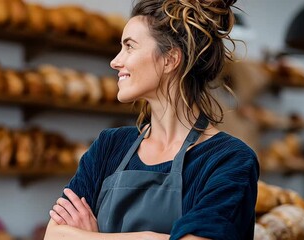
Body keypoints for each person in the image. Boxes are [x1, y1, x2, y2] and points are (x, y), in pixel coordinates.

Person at [44, 0, 259, 239]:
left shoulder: (228, 159)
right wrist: (148, 237)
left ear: (170, 59)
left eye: (130, 47)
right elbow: (54, 235)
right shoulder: (110, 146)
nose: (115, 61)